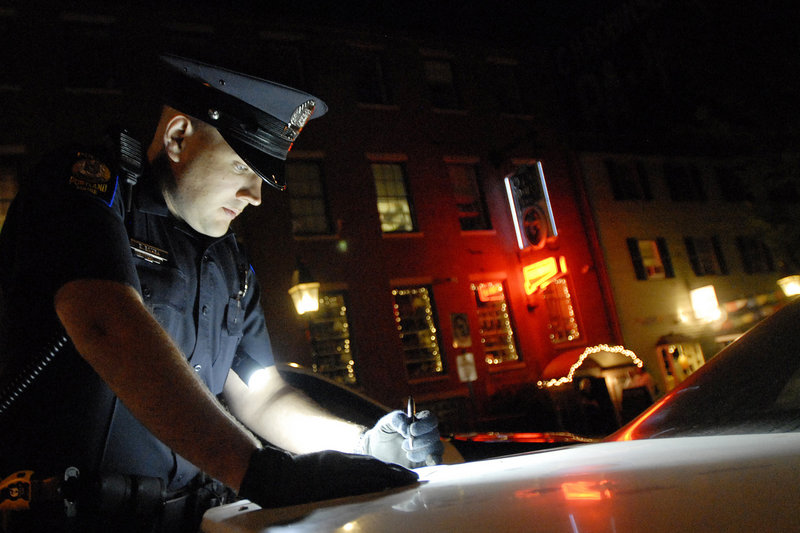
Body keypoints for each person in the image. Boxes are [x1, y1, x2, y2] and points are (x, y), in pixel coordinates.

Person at [0, 54, 443, 532]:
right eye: (242, 166)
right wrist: (260, 473)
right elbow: (105, 321)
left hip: (199, 520)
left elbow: (263, 396)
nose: (255, 194)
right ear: (177, 137)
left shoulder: (232, 261)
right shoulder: (86, 189)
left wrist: (362, 443)